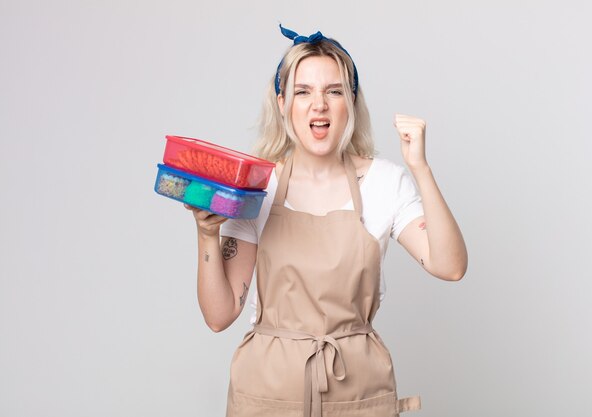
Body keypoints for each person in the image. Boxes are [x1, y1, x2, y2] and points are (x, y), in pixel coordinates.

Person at [185, 24, 468, 417]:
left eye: (333, 91)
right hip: (266, 398)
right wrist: (206, 232)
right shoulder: (256, 187)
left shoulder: (384, 183)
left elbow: (450, 266)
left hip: (357, 395)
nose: (318, 104)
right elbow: (219, 316)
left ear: (351, 102)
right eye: (303, 92)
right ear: (282, 102)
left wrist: (420, 168)